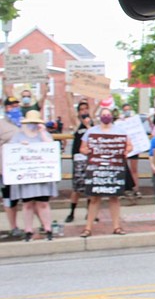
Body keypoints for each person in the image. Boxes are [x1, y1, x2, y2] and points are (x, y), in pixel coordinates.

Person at [79, 107, 132, 237]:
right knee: (95, 198)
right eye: (104, 114)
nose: (106, 116)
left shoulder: (120, 131)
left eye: (108, 114)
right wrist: (88, 151)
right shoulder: (91, 132)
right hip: (97, 169)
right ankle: (88, 228)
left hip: (114, 168)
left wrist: (126, 151)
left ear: (111, 116)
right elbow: (82, 148)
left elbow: (129, 145)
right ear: (99, 117)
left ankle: (117, 227)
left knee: (114, 197)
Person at [8, 111, 59, 241]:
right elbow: (12, 152)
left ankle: (47, 228)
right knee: (27, 204)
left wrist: (42, 132)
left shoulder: (45, 134)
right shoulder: (18, 136)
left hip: (41, 175)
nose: (33, 124)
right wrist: (20, 146)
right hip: (26, 176)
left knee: (43, 203)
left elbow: (51, 148)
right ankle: (28, 230)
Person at [64, 93, 93, 223]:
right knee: (77, 188)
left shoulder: (92, 124)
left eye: (86, 109)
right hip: (78, 158)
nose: (84, 111)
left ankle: (90, 212)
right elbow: (70, 107)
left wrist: (88, 125)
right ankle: (72, 212)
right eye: (81, 109)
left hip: (89, 157)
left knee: (90, 187)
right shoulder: (77, 123)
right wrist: (69, 92)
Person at [0, 97, 22, 238]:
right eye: (11, 106)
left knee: (30, 199)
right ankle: (13, 226)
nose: (13, 108)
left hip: (25, 169)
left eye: (16, 105)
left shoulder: (25, 123)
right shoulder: (1, 125)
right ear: (6, 108)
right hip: (6, 170)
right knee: (9, 199)